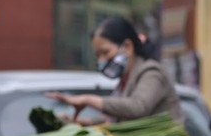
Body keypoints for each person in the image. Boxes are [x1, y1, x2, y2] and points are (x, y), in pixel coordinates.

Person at [45, 16, 183, 124]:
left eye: (105, 52)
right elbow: (117, 119)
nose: (101, 60)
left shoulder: (151, 72)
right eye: (98, 55)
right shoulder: (124, 81)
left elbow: (138, 107)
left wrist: (88, 100)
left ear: (127, 47)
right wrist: (82, 122)